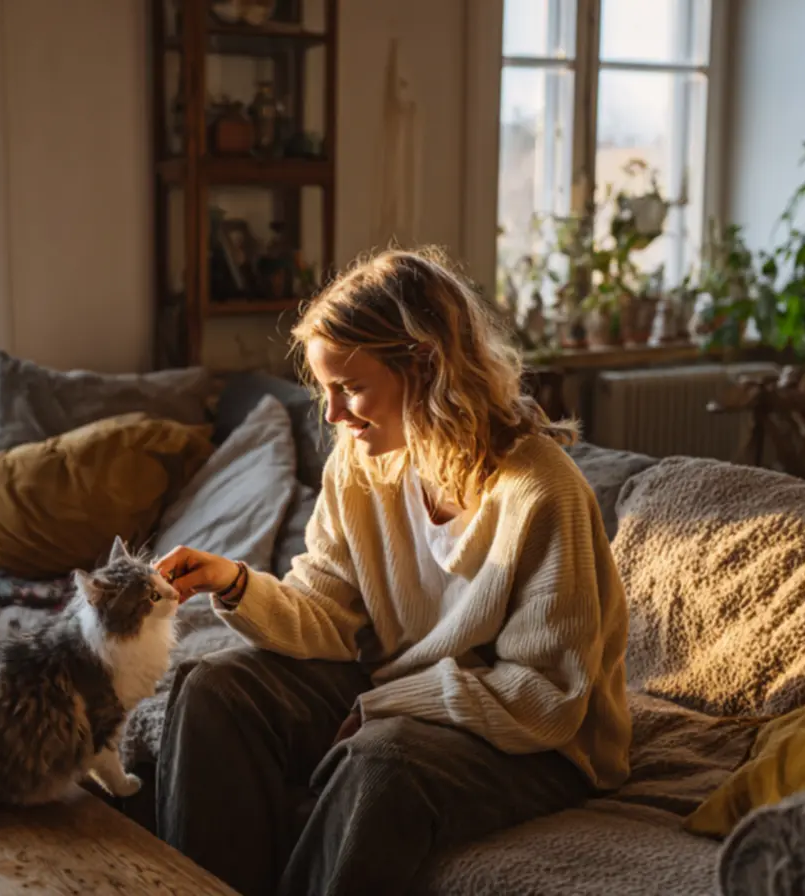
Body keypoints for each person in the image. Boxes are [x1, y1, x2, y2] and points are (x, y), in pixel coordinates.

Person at [154, 247, 631, 896]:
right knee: (212, 689)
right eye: (325, 390)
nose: (332, 416)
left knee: (382, 762)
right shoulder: (359, 464)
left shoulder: (540, 492)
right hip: (404, 688)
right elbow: (327, 613)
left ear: (426, 366)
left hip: (545, 743)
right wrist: (233, 582)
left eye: (349, 388)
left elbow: (545, 699)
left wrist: (385, 704)